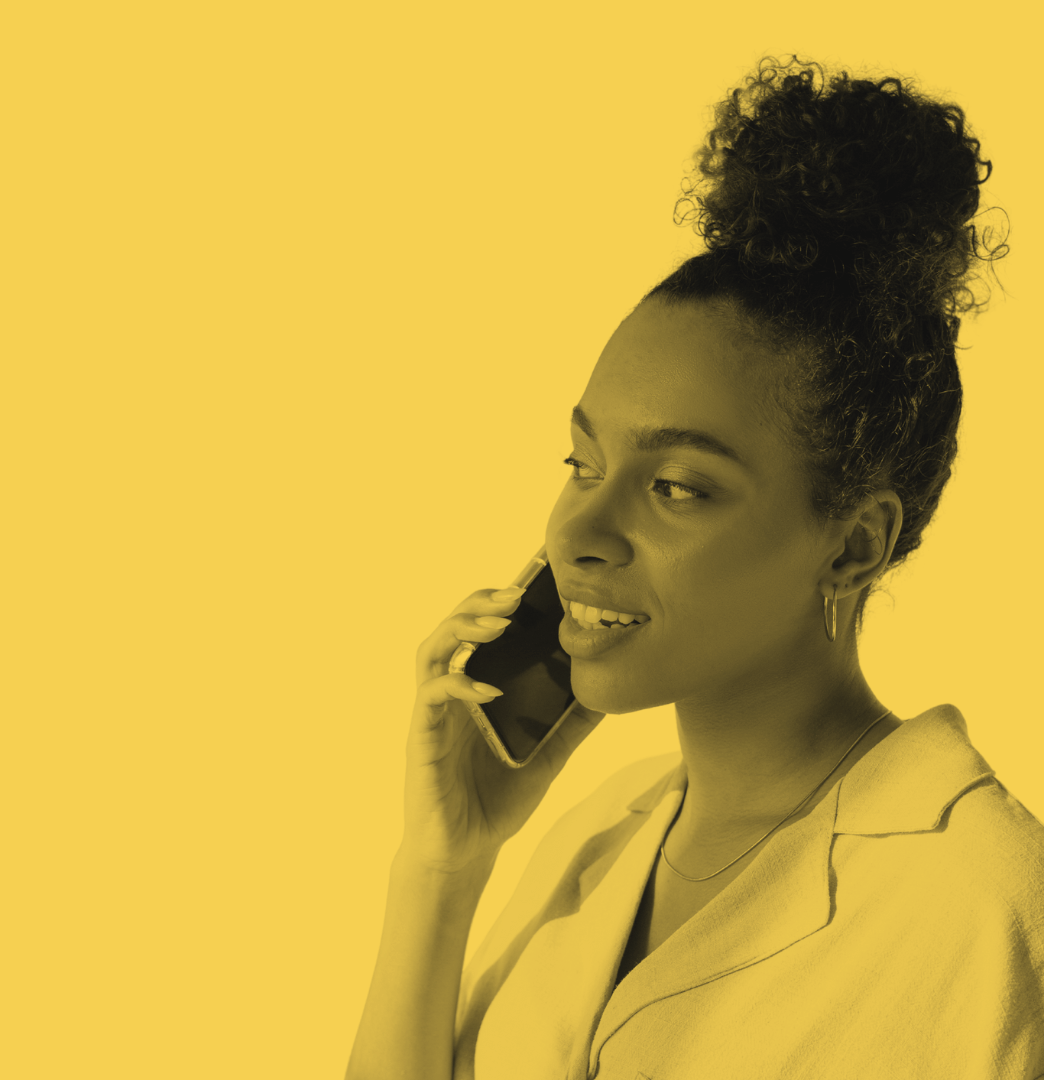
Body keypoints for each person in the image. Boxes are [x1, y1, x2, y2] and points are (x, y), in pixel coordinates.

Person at [345, 57, 1044, 1079]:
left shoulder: (983, 910)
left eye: (676, 486)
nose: (578, 532)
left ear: (854, 544)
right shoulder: (604, 838)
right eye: (581, 463)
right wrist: (442, 874)